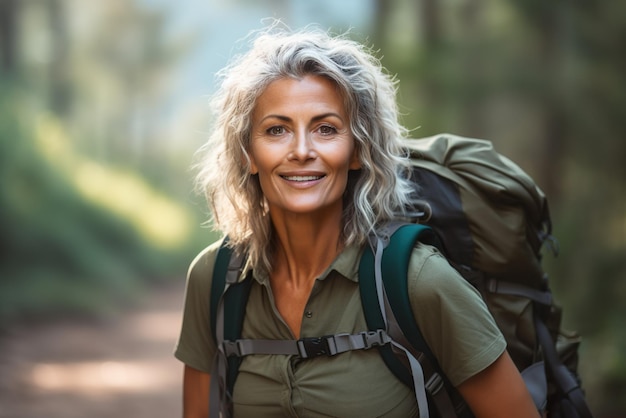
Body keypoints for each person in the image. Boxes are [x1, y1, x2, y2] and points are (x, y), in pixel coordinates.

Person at [174, 24, 540, 418]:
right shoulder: (215, 279)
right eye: (276, 129)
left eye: (326, 129)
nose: (301, 150)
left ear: (356, 151)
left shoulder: (418, 281)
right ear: (248, 153)